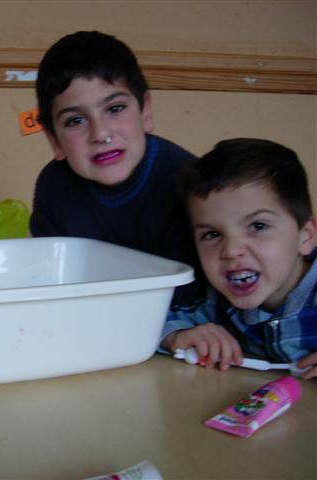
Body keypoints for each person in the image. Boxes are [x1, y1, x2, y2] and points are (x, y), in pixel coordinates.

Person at [30, 30, 203, 305]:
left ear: (145, 112)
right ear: (54, 140)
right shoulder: (54, 188)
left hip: (180, 320)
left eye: (115, 108)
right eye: (76, 120)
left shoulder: (187, 182)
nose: (100, 134)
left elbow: (193, 297)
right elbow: (49, 284)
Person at [160, 138, 317, 380]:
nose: (231, 250)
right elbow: (154, 322)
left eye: (258, 226)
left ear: (305, 236)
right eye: (212, 234)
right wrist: (177, 336)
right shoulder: (217, 303)